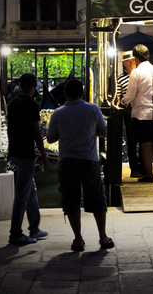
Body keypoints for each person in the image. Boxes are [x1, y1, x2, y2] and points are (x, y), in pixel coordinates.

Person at [47, 79, 114, 252]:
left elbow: (50, 138)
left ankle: (77, 240)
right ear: (82, 93)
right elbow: (104, 133)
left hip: (67, 161)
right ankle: (103, 237)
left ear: (65, 94)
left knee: (71, 199)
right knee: (97, 198)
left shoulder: (57, 113)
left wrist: (65, 135)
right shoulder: (93, 109)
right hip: (89, 160)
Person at [8, 73, 50, 245]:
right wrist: (45, 157)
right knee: (22, 195)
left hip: (15, 152)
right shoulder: (32, 105)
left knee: (30, 189)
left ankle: (34, 228)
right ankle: (15, 234)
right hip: (26, 153)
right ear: (33, 86)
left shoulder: (12, 103)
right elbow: (36, 133)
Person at [122, 44, 153, 183]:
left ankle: (149, 175)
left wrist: (122, 102)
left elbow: (130, 95)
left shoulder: (136, 72)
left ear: (135, 59)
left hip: (142, 113)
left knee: (145, 144)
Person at [117, 51, 142, 178]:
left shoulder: (141, 76)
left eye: (133, 60)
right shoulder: (120, 78)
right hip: (129, 110)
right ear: (125, 63)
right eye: (130, 61)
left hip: (143, 109)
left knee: (144, 139)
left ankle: (144, 166)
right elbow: (117, 97)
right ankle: (134, 168)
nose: (132, 62)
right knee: (131, 140)